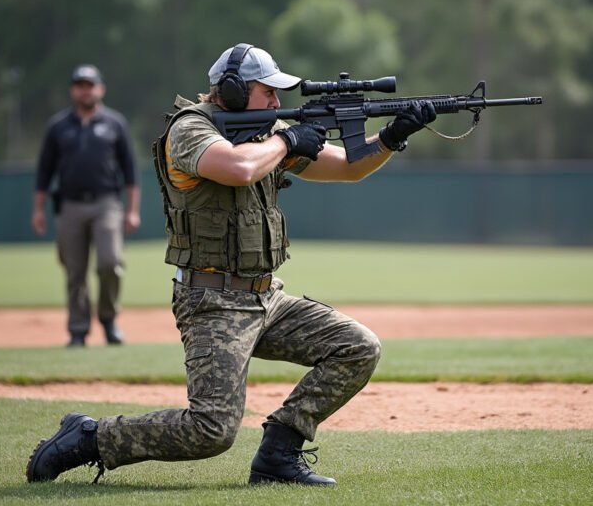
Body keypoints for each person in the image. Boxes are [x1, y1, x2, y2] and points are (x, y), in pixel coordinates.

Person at [26, 44, 435, 486]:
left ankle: (279, 453)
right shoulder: (190, 130)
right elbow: (238, 169)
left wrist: (391, 138)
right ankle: (89, 437)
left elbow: (346, 168)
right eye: (267, 93)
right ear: (234, 92)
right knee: (211, 431)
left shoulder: (266, 133)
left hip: (266, 296)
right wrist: (285, 140)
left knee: (357, 347)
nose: (277, 104)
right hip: (213, 300)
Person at [31, 64, 141, 347]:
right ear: (73, 90)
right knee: (74, 270)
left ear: (100, 89)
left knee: (110, 263)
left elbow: (130, 170)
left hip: (106, 203)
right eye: (80, 85)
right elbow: (44, 171)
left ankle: (108, 319)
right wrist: (39, 210)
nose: (85, 89)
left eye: (90, 84)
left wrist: (132, 210)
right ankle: (78, 330)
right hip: (69, 206)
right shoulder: (58, 126)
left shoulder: (114, 123)